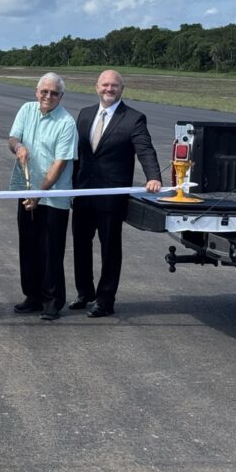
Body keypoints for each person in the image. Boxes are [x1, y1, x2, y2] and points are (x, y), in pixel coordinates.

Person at [71, 69, 162, 317]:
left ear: (122, 88)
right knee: (80, 245)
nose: (109, 89)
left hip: (111, 198)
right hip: (83, 193)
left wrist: (153, 176)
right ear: (96, 87)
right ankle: (85, 293)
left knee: (110, 249)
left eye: (114, 85)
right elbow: (79, 154)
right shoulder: (85, 114)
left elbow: (145, 150)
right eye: (104, 85)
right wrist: (70, 186)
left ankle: (105, 299)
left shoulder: (133, 118)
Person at [8, 72, 78, 321]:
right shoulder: (27, 110)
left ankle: (52, 301)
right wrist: (19, 147)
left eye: (54, 93)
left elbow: (59, 164)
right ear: (36, 92)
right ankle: (32, 296)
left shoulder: (66, 123)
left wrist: (40, 193)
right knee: (28, 246)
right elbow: (13, 138)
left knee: (51, 250)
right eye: (44, 92)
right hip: (26, 189)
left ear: (61, 96)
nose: (48, 96)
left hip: (52, 196)